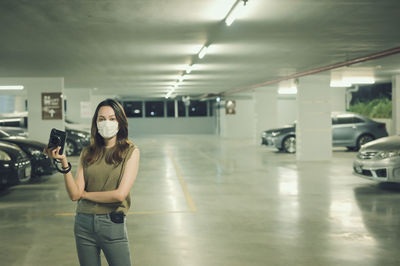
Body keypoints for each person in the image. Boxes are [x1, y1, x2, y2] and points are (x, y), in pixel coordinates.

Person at [44, 99, 140, 266]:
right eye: (101, 119)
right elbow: (75, 194)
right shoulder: (87, 152)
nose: (106, 123)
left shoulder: (130, 152)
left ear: (120, 122)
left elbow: (119, 195)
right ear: (96, 123)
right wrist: (63, 161)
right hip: (83, 224)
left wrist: (86, 194)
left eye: (112, 118)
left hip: (112, 224)